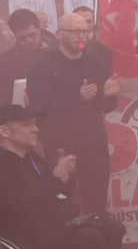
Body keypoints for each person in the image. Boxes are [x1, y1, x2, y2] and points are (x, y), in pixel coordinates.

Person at [0, 104, 126, 249]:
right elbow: (21, 204)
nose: (36, 129)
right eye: (27, 125)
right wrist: (57, 180)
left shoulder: (31, 157)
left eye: (34, 124)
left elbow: (55, 193)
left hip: (54, 222)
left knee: (113, 229)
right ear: (4, 131)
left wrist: (66, 177)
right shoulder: (4, 166)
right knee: (89, 238)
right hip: (24, 234)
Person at [26, 14, 121, 216]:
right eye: (75, 31)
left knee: (96, 200)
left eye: (85, 31)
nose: (81, 36)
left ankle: (96, 240)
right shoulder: (42, 67)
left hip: (93, 141)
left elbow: (106, 106)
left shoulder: (95, 62)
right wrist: (78, 98)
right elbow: (40, 108)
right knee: (61, 200)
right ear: (59, 34)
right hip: (60, 143)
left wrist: (109, 95)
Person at [0, 9, 49, 105]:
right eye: (23, 37)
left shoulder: (54, 52)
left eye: (32, 35)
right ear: (15, 36)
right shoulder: (5, 61)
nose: (29, 40)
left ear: (39, 29)